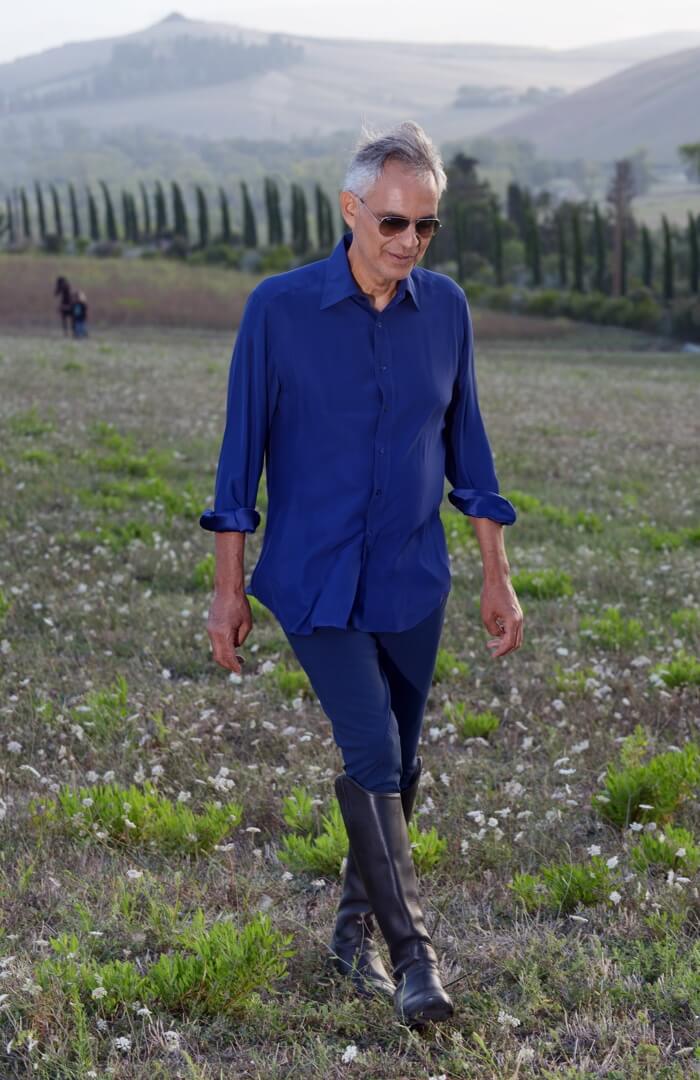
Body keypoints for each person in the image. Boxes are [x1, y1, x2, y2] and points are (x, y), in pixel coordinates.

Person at [199, 120, 524, 1026]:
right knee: (373, 752)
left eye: (426, 226)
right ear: (351, 209)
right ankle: (416, 960)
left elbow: (470, 451)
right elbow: (238, 463)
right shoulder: (278, 309)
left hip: (413, 578)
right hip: (315, 579)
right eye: (393, 222)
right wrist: (227, 589)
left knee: (399, 765)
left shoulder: (446, 310)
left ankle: (350, 935)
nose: (410, 242)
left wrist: (496, 573)